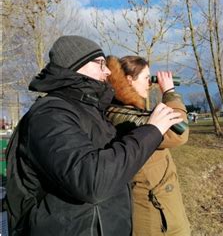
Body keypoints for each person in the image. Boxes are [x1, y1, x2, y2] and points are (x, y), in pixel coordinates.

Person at [5, 35, 183, 235]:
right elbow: (93, 181)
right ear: (76, 65)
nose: (107, 71)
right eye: (100, 63)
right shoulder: (49, 114)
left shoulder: (90, 111)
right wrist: (152, 131)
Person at [105, 55, 190, 236]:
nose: (150, 83)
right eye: (146, 78)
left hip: (160, 205)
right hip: (154, 213)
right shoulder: (121, 115)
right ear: (129, 80)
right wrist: (169, 92)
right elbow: (178, 133)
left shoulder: (124, 109)